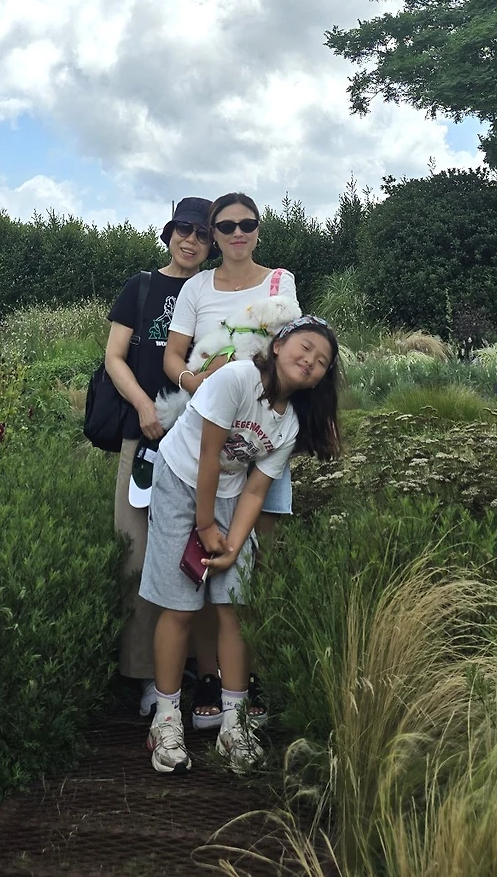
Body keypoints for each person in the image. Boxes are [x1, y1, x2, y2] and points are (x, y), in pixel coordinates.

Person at [141, 315, 340, 776]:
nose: (310, 361)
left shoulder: (289, 424)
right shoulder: (235, 378)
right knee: (180, 605)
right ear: (278, 345)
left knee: (235, 604)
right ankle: (165, 721)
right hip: (181, 479)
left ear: (321, 379)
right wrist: (205, 526)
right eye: (305, 347)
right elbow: (208, 455)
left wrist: (231, 545)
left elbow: (255, 489)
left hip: (229, 495)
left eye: (321, 361)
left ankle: (234, 724)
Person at [162, 191, 297, 730]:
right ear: (213, 234)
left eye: (247, 223)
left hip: (260, 440)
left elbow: (289, 350)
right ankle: (208, 679)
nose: (237, 233)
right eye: (226, 225)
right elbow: (174, 356)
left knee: (249, 568)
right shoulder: (196, 287)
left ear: (259, 229)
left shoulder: (279, 283)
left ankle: (247, 680)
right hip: (210, 434)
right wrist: (197, 383)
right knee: (199, 562)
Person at [105, 197, 217, 715]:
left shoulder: (214, 292)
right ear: (169, 233)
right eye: (183, 230)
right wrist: (144, 405)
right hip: (145, 437)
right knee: (139, 552)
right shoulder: (141, 287)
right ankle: (146, 673)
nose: (190, 240)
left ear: (212, 243)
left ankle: (200, 669)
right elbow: (114, 357)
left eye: (202, 233)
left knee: (198, 554)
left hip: (203, 445)